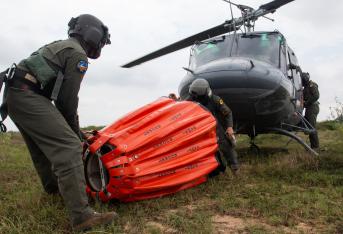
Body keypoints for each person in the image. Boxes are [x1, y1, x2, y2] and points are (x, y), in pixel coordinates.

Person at [1, 14, 116, 231]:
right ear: (92, 35)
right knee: (69, 146)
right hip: (27, 94)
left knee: (42, 149)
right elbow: (66, 102)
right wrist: (76, 135)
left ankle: (54, 191)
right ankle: (82, 216)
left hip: (15, 93)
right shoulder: (78, 55)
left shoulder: (63, 45)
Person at [184, 78, 239, 174]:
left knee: (226, 147)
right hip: (199, 130)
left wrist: (229, 127)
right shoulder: (189, 101)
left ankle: (235, 169)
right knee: (206, 153)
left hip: (215, 128)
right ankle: (215, 171)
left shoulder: (215, 99)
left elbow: (228, 113)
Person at [301, 72, 320, 149]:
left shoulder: (312, 85)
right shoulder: (305, 88)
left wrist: (307, 103)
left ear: (304, 79)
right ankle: (313, 146)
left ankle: (315, 147)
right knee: (308, 126)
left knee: (312, 127)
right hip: (309, 108)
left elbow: (316, 96)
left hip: (313, 107)